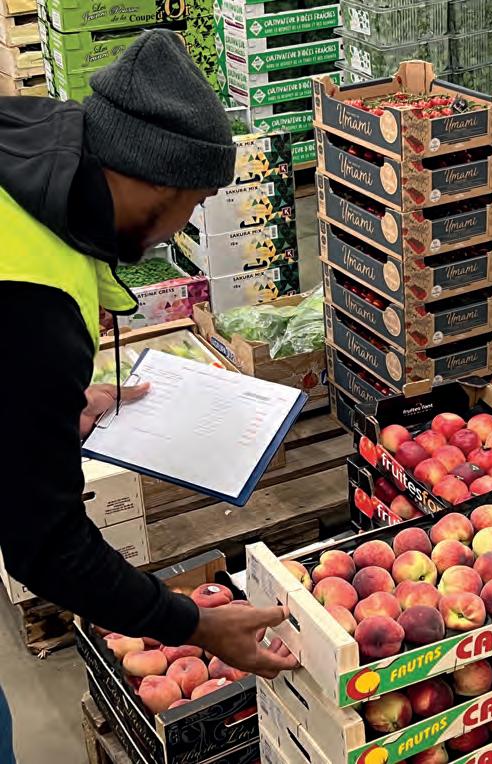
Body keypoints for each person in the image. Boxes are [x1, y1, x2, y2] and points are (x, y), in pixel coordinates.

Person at [0, 29, 296, 760]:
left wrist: (42, 406)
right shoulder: (33, 301)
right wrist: (193, 624)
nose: (182, 226)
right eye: (191, 203)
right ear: (156, 182)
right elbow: (45, 546)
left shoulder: (27, 153)